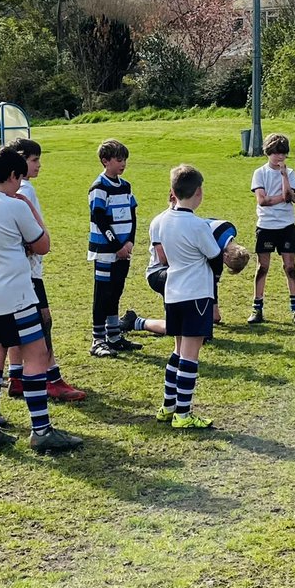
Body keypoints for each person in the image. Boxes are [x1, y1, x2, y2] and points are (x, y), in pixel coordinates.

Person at [0, 145, 83, 454]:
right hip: (16, 296)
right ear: (14, 175)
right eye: (20, 179)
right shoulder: (14, 205)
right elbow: (42, 245)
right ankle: (40, 430)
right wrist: (27, 205)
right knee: (36, 355)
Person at [5, 137, 86, 402]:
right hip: (28, 271)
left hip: (15, 272)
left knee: (18, 324)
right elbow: (31, 237)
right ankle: (52, 379)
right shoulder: (24, 190)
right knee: (42, 322)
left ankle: (16, 376)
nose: (39, 165)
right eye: (34, 160)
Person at [153, 164, 223, 429]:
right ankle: (184, 414)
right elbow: (215, 259)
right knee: (190, 355)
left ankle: (168, 406)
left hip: (173, 293)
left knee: (178, 351)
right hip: (196, 294)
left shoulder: (163, 221)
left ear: (173, 191)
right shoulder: (197, 224)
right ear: (199, 192)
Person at [87, 139, 140, 356]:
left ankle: (114, 336)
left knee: (116, 291)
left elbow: (133, 215)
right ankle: (98, 340)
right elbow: (99, 219)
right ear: (105, 161)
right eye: (119, 159)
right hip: (106, 252)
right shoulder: (99, 188)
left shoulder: (125, 186)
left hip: (123, 250)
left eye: (125, 159)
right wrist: (116, 245)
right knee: (103, 295)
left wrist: (129, 242)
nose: (123, 163)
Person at [248, 134, 295, 325]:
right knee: (262, 267)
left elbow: (289, 194)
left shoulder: (290, 172)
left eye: (283, 154)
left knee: (290, 268)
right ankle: (257, 307)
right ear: (268, 152)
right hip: (266, 226)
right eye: (276, 153)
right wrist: (285, 197)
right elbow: (263, 201)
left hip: (286, 226)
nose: (280, 158)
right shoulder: (260, 173)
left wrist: (284, 176)